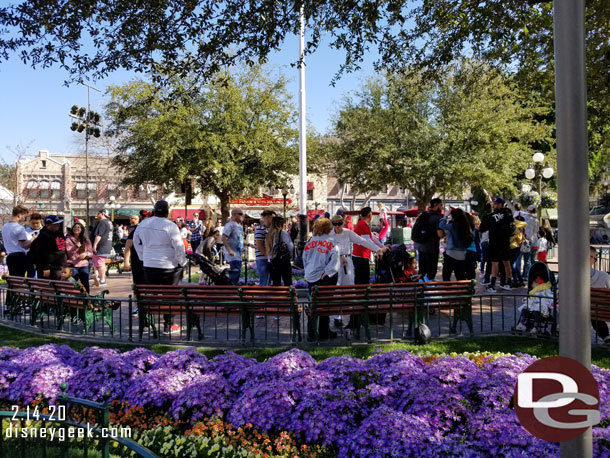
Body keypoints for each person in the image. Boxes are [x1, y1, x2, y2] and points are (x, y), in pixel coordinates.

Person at [133, 200, 187, 334]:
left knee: (150, 295)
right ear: (167, 211)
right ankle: (168, 325)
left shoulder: (143, 224)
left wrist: (143, 256)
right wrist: (182, 262)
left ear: (154, 210)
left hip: (149, 264)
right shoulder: (171, 226)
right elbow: (179, 246)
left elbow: (136, 242)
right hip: (168, 266)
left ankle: (146, 324)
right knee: (170, 296)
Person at [303, 217, 340, 340]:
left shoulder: (310, 241)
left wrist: (308, 270)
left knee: (313, 304)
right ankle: (324, 332)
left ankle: (312, 332)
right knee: (324, 305)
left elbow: (305, 258)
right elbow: (335, 260)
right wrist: (328, 272)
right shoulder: (332, 241)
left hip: (311, 276)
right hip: (325, 277)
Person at [351, 206, 387, 328]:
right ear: (369, 214)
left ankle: (361, 314)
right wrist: (379, 249)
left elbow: (371, 238)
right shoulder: (362, 225)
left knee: (363, 283)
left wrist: (382, 246)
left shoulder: (363, 224)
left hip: (361, 256)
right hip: (360, 257)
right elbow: (367, 242)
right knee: (362, 284)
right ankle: (360, 314)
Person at [331, 214, 388, 286]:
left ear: (343, 223)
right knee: (336, 285)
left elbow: (361, 241)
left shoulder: (347, 232)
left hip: (347, 260)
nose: (337, 226)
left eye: (339, 224)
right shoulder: (329, 234)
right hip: (334, 261)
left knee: (350, 284)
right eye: (335, 224)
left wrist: (377, 249)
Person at [479, 197, 514, 293]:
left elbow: (482, 228)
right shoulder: (508, 213)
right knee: (506, 262)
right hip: (505, 241)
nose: (494, 205)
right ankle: (509, 282)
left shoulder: (490, 216)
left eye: (495, 204)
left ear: (499, 204)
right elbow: (512, 225)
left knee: (495, 263)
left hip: (495, 242)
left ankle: (492, 284)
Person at [412, 198, 443, 281]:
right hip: (432, 248)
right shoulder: (437, 218)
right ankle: (429, 287)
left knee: (422, 270)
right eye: (441, 205)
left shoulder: (424, 214)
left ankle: (421, 287)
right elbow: (439, 234)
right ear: (436, 205)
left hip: (421, 246)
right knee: (431, 271)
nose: (442, 207)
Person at [438, 208, 472, 281]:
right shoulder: (466, 226)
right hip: (462, 254)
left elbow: (441, 225)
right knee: (460, 276)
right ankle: (461, 291)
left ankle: (448, 291)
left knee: (446, 276)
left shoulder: (453, 226)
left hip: (451, 253)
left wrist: (446, 216)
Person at [30, 215, 67, 280]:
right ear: (48, 225)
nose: (58, 225)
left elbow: (63, 249)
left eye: (58, 223)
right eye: (55, 224)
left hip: (60, 266)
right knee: (48, 288)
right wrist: (45, 268)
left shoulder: (60, 234)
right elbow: (41, 254)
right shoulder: (43, 236)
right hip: (49, 268)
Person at [2, 205, 34, 276]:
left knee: (13, 279)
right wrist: (33, 239)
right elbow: (24, 245)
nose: (24, 218)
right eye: (24, 216)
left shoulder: (5, 226)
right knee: (20, 279)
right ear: (19, 215)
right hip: (19, 257)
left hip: (9, 256)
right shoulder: (19, 228)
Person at [590, 246, 610, 346]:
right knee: (595, 310)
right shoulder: (604, 276)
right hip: (598, 312)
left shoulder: (570, 275)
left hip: (575, 311)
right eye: (595, 258)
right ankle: (606, 337)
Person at [266, 216, 294, 286]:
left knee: (276, 282)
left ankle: (277, 296)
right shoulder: (282, 233)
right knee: (287, 281)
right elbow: (290, 246)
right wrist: (290, 255)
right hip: (282, 261)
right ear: (281, 224)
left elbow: (268, 249)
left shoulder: (269, 234)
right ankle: (287, 296)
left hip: (272, 262)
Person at [65, 222, 93, 292]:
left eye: (78, 227)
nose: (76, 229)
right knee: (73, 284)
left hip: (84, 264)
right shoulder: (68, 239)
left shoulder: (85, 239)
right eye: (75, 227)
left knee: (85, 284)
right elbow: (69, 253)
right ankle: (74, 300)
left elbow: (91, 253)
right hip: (73, 265)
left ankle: (87, 300)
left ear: (82, 229)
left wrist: (86, 254)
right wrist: (75, 247)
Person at [90, 209, 113, 286]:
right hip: (106, 246)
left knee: (100, 264)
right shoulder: (109, 222)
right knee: (96, 264)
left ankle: (102, 280)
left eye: (98, 213)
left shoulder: (102, 222)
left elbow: (99, 235)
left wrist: (94, 245)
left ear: (103, 214)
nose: (97, 214)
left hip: (101, 247)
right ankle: (97, 278)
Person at [222, 208, 245, 284]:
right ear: (234, 215)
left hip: (239, 253)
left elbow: (240, 239)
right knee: (235, 272)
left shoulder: (240, 226)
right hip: (233, 254)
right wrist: (229, 250)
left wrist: (249, 244)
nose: (242, 216)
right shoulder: (230, 225)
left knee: (237, 272)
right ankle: (231, 290)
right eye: (240, 214)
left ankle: (233, 289)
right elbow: (223, 238)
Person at [254, 209, 276, 286]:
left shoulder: (273, 229)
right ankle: (263, 297)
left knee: (269, 280)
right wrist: (268, 256)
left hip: (270, 257)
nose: (272, 220)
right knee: (265, 280)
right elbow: (259, 245)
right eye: (271, 217)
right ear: (264, 218)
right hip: (263, 258)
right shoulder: (260, 229)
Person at [521, 205, 540, 281]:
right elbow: (537, 230)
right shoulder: (537, 220)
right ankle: (533, 274)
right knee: (532, 259)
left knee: (527, 259)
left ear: (529, 210)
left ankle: (526, 274)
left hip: (527, 241)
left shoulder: (526, 218)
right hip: (535, 241)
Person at [509, 215, 528, 287]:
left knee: (513, 266)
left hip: (513, 248)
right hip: (517, 248)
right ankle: (519, 280)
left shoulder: (516, 229)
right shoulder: (520, 229)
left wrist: (514, 221)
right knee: (514, 265)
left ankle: (516, 281)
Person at [25, 212, 43, 278]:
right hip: (30, 256)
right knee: (31, 275)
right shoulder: (26, 231)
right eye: (33, 223)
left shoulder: (44, 231)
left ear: (40, 222)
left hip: (41, 257)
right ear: (30, 222)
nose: (35, 225)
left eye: (37, 223)